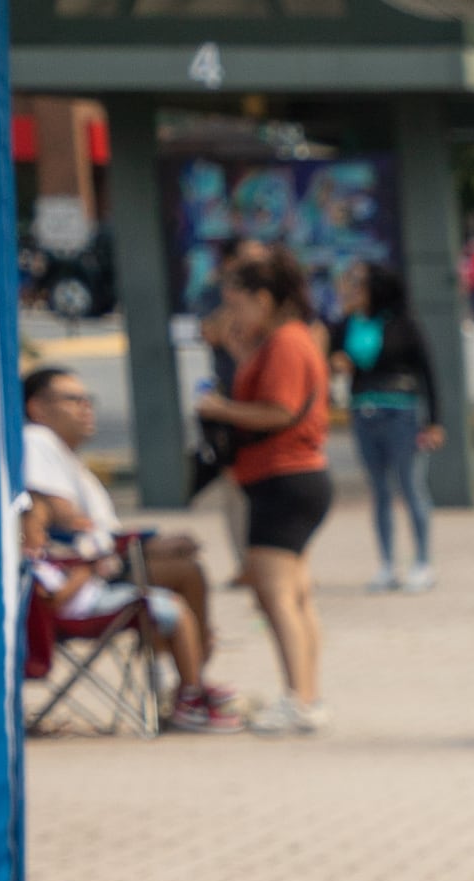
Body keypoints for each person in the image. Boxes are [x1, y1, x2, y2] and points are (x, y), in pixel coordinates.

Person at [21, 361, 233, 728]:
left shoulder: (67, 457)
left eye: (89, 400)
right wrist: (132, 546)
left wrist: (148, 544)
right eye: (73, 400)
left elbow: (94, 529)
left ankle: (192, 679)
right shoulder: (36, 441)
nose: (85, 408)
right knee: (184, 572)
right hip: (78, 574)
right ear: (37, 408)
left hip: (95, 564)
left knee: (183, 561)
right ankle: (191, 686)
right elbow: (63, 519)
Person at [194, 242, 334, 731]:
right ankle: (306, 695)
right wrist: (239, 353)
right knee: (294, 594)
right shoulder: (280, 343)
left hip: (285, 477)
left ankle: (298, 699)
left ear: (265, 299)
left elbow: (281, 410)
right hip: (288, 477)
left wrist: (220, 410)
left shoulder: (288, 343)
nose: (232, 314)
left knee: (276, 596)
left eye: (237, 304)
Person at [338, 261, 441, 593]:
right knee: (378, 490)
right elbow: (329, 351)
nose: (355, 291)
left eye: (360, 285)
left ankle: (422, 561)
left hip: (401, 411)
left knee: (410, 486)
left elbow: (428, 372)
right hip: (362, 411)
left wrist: (435, 421)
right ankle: (386, 563)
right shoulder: (349, 324)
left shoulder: (402, 324)